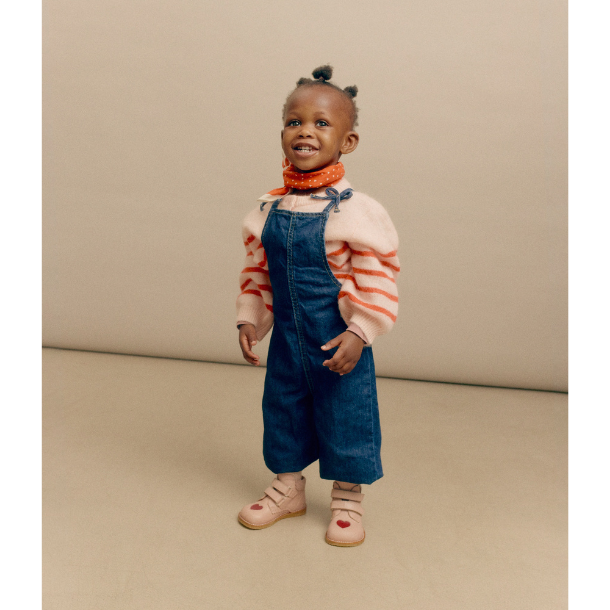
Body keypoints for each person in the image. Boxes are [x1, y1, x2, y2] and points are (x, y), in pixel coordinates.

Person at [235, 65, 400, 547]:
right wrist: (251, 319)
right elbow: (259, 271)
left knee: (346, 414)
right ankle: (288, 487)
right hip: (289, 338)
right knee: (282, 410)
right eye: (294, 121)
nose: (305, 130)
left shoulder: (355, 211)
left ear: (348, 142)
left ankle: (347, 498)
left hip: (337, 340)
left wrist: (361, 331)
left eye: (321, 123)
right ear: (282, 135)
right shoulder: (270, 208)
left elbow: (376, 277)